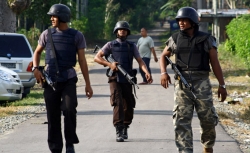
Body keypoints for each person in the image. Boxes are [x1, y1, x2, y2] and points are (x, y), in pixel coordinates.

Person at [159, 7, 227, 153]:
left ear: (193, 21)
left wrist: (222, 85)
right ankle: (185, 150)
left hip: (201, 82)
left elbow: (215, 63)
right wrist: (163, 72)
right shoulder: (175, 38)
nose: (181, 23)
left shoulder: (206, 39)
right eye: (179, 20)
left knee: (208, 119)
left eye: (185, 20)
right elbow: (164, 56)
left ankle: (208, 147)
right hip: (182, 85)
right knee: (181, 120)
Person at [32, 4, 93, 153]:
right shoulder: (47, 34)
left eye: (54, 16)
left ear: (63, 17)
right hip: (50, 79)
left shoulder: (77, 35)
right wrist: (35, 68)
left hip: (68, 79)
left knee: (69, 109)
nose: (52, 19)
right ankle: (55, 148)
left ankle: (70, 143)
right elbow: (37, 52)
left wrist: (88, 84)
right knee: (52, 115)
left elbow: (83, 61)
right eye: (51, 16)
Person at [94, 21, 152, 142]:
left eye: (125, 29)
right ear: (116, 31)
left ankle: (125, 126)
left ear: (128, 32)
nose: (122, 31)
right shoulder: (110, 45)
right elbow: (97, 58)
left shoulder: (132, 46)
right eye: (120, 29)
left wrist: (146, 72)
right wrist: (109, 64)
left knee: (129, 104)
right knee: (117, 102)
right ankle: (119, 129)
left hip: (127, 77)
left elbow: (140, 61)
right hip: (115, 78)